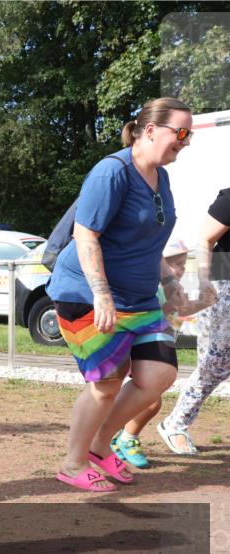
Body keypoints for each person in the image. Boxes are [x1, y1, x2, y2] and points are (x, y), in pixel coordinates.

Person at [47, 97, 193, 492]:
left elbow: (146, 242)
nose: (185, 141)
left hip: (140, 299)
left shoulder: (160, 178)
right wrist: (102, 294)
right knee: (107, 382)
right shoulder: (112, 172)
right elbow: (85, 235)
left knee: (159, 373)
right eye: (180, 132)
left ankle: (99, 446)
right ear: (151, 130)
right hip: (85, 292)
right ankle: (73, 463)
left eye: (189, 135)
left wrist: (171, 284)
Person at [109, 238, 217, 467]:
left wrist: (203, 303)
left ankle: (120, 436)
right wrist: (172, 304)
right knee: (150, 401)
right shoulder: (151, 290)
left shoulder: (174, 291)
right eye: (174, 264)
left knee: (149, 400)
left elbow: (180, 311)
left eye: (183, 264)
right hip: (140, 353)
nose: (180, 269)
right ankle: (124, 438)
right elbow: (154, 315)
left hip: (157, 353)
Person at [157, 187, 230, 454]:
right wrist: (204, 280)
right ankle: (175, 424)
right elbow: (205, 240)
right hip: (224, 282)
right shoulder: (229, 198)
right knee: (214, 363)